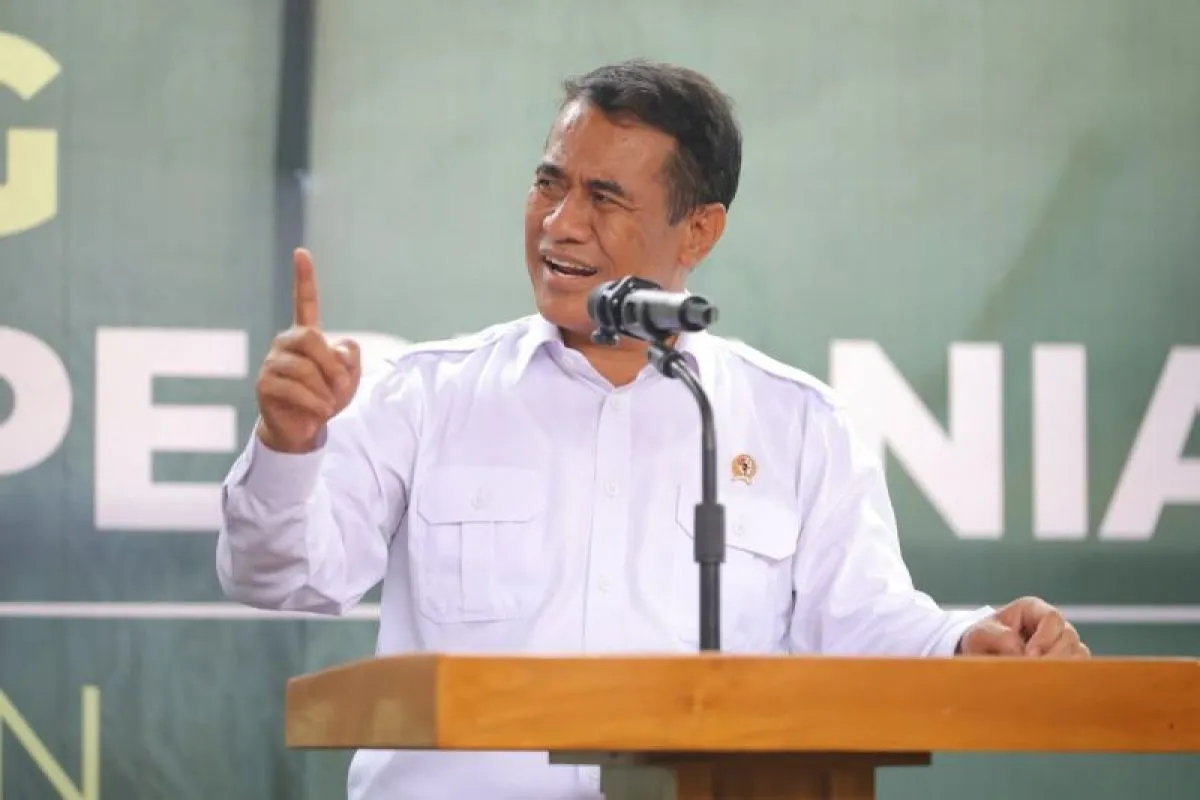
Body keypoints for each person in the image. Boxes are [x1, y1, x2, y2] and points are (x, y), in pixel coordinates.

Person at [216, 59, 1089, 800]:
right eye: (550, 183)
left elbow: (861, 624)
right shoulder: (426, 395)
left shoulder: (795, 424)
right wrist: (289, 445)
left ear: (698, 231)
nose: (560, 223)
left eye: (604, 197)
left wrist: (966, 641)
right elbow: (278, 576)